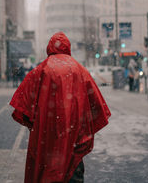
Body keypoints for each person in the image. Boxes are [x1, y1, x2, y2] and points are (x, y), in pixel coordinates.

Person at [10, 32, 111, 183]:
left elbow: (23, 106)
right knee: (73, 173)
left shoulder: (41, 70)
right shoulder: (80, 70)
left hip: (46, 139)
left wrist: (38, 124)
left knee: (47, 173)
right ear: (68, 48)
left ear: (49, 47)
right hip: (74, 139)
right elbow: (96, 107)